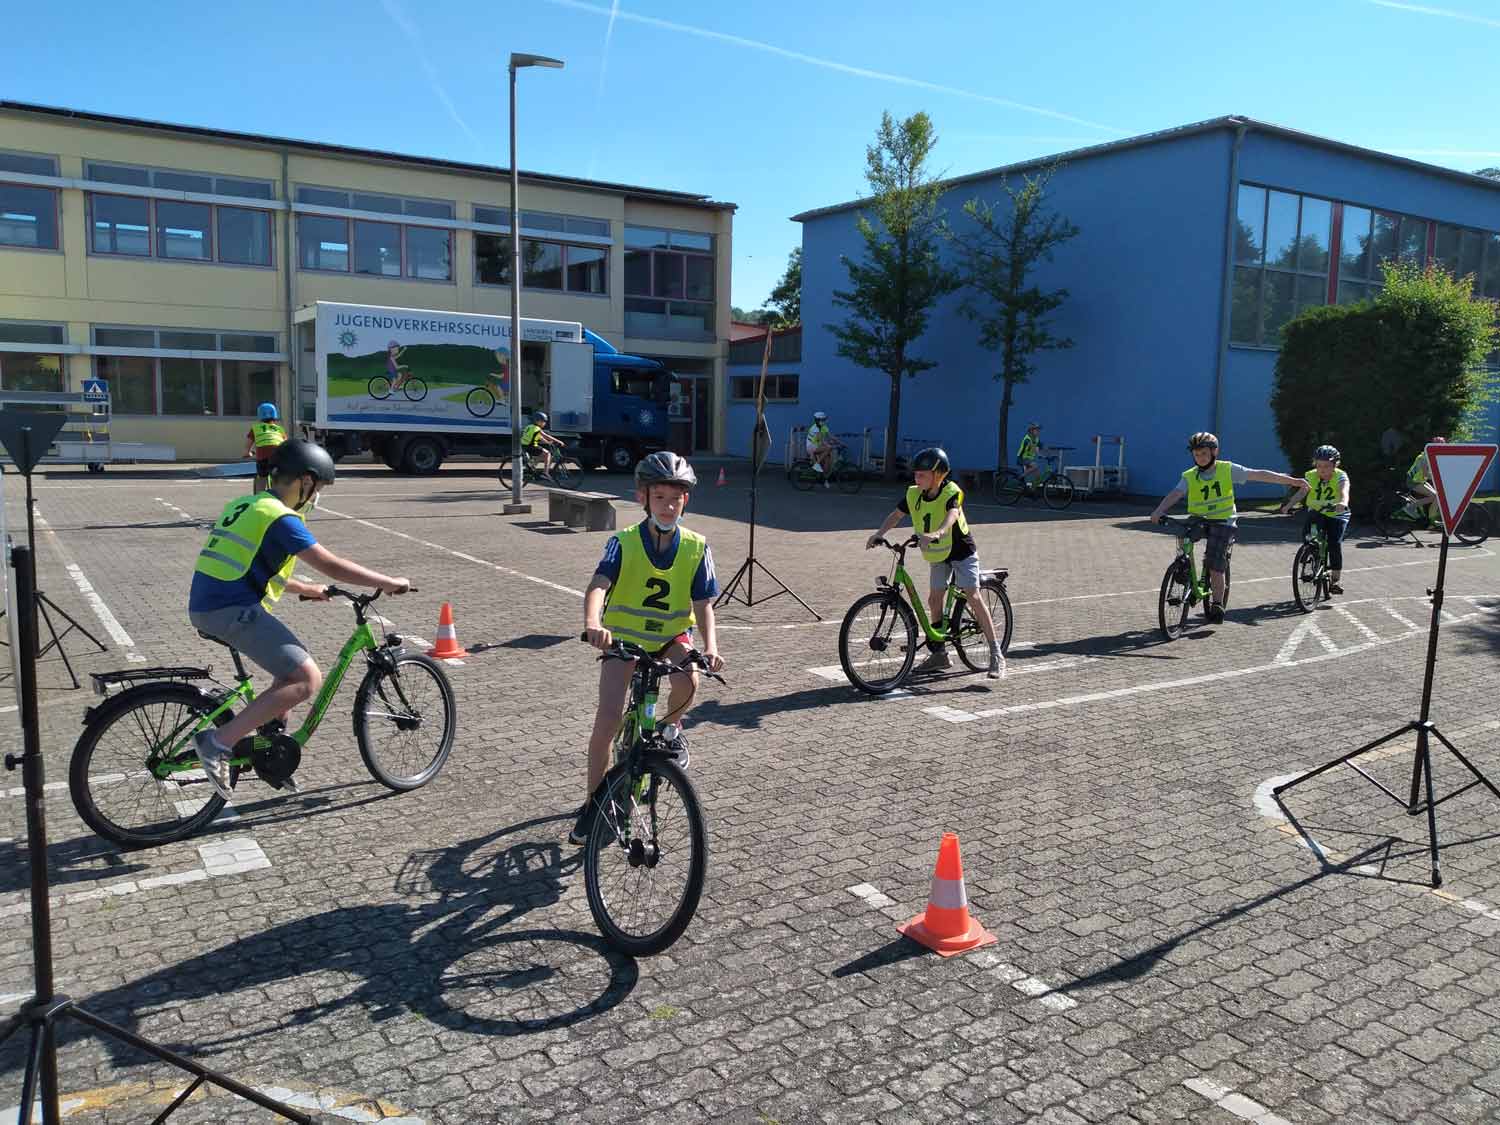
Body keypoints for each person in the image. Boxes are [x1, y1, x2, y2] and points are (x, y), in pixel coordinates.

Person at [189, 440, 410, 800]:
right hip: (229, 609)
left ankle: (267, 755)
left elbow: (249, 566)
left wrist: (305, 588)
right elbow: (329, 563)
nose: (317, 496)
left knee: (285, 679)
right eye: (318, 487)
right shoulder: (281, 517)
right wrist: (387, 581)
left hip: (212, 603)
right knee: (306, 679)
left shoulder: (248, 504)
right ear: (305, 481)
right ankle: (217, 743)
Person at [577, 452, 723, 844]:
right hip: (623, 638)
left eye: (676, 498)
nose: (668, 506)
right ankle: (594, 804)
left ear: (686, 501)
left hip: (670, 637)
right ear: (643, 498)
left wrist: (711, 646)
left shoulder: (697, 546)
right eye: (659, 498)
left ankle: (670, 730)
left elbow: (703, 604)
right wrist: (593, 624)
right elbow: (598, 586)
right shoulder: (622, 542)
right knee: (607, 719)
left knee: (690, 680)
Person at [866, 447, 1003, 678]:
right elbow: (896, 515)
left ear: (938, 475)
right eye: (915, 474)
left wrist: (938, 533)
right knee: (933, 598)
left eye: (922, 474)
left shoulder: (952, 491)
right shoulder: (914, 494)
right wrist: (879, 533)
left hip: (962, 552)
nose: (916, 478)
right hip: (939, 554)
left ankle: (996, 653)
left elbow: (952, 515)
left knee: (973, 594)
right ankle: (939, 654)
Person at [1148, 432, 1309, 624]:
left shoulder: (1227, 469)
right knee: (1183, 534)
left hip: (1223, 520)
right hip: (1200, 518)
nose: (1200, 458)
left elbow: (1259, 475)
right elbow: (1175, 493)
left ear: (1214, 452)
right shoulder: (1189, 475)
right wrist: (1158, 511)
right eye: (1197, 454)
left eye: (1204, 454)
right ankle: (1184, 570)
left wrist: (1292, 481)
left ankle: (1217, 603)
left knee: (1215, 565)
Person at [1286, 444, 1349, 594]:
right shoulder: (1310, 475)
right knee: (1309, 538)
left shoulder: (1341, 476)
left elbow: (1344, 491)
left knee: (1334, 543)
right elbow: (1302, 493)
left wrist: (1343, 503)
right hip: (1317, 511)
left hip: (1336, 513)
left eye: (1327, 466)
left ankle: (1335, 579)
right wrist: (1288, 505)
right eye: (1319, 465)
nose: (1322, 470)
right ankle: (1311, 560)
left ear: (1335, 465)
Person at [243, 402, 287, 493]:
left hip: (262, 456)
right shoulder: (279, 429)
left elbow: (249, 443)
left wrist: (247, 452)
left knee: (262, 477)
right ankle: (277, 494)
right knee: (276, 477)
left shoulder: (255, 428)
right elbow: (285, 443)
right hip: (278, 455)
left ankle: (259, 496)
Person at [1405, 436, 1446, 524]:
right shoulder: (1425, 457)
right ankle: (1410, 508)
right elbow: (1425, 474)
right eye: (1440, 447)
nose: (1441, 449)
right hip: (1413, 481)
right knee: (1434, 496)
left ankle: (1432, 519)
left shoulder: (1432, 456)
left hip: (1419, 480)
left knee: (1437, 497)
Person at [520, 411, 566, 478]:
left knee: (544, 454)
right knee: (547, 454)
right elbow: (546, 436)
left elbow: (540, 437)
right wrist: (559, 441)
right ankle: (545, 473)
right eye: (543, 421)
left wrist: (547, 442)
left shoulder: (530, 426)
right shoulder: (537, 428)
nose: (544, 423)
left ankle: (532, 465)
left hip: (525, 446)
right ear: (538, 421)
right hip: (531, 446)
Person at [806, 411, 841, 487]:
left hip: (818, 447)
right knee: (828, 448)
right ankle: (816, 464)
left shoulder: (823, 427)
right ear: (818, 420)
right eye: (823, 420)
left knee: (828, 459)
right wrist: (830, 445)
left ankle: (823, 478)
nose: (824, 421)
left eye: (824, 420)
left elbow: (830, 436)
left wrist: (840, 442)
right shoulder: (814, 429)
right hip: (811, 447)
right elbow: (822, 441)